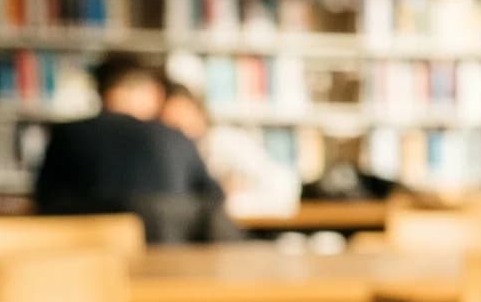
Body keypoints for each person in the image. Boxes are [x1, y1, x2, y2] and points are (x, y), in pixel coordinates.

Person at [33, 53, 234, 243]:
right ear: (152, 92)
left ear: (101, 93)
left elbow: (44, 202)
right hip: (170, 265)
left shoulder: (66, 134)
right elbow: (214, 201)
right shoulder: (176, 137)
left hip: (85, 266)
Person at [158, 84, 299, 220]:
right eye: (172, 124)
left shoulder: (224, 142)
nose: (180, 130)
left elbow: (282, 188)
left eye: (184, 118)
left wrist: (228, 199)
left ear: (201, 114)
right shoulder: (178, 156)